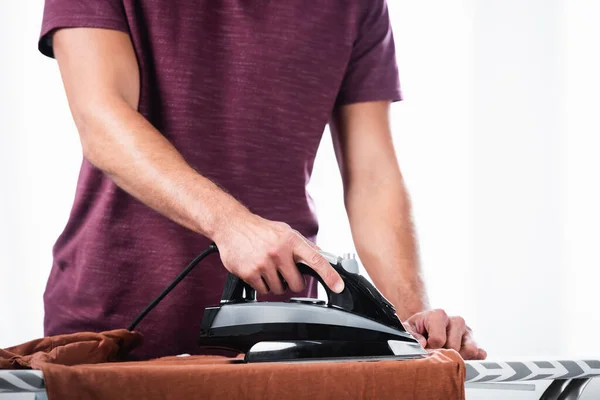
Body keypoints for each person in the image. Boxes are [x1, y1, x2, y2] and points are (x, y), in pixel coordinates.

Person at [38, 0, 486, 361]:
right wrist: (231, 224)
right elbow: (102, 118)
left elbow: (372, 176)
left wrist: (409, 324)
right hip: (113, 335)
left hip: (275, 346)